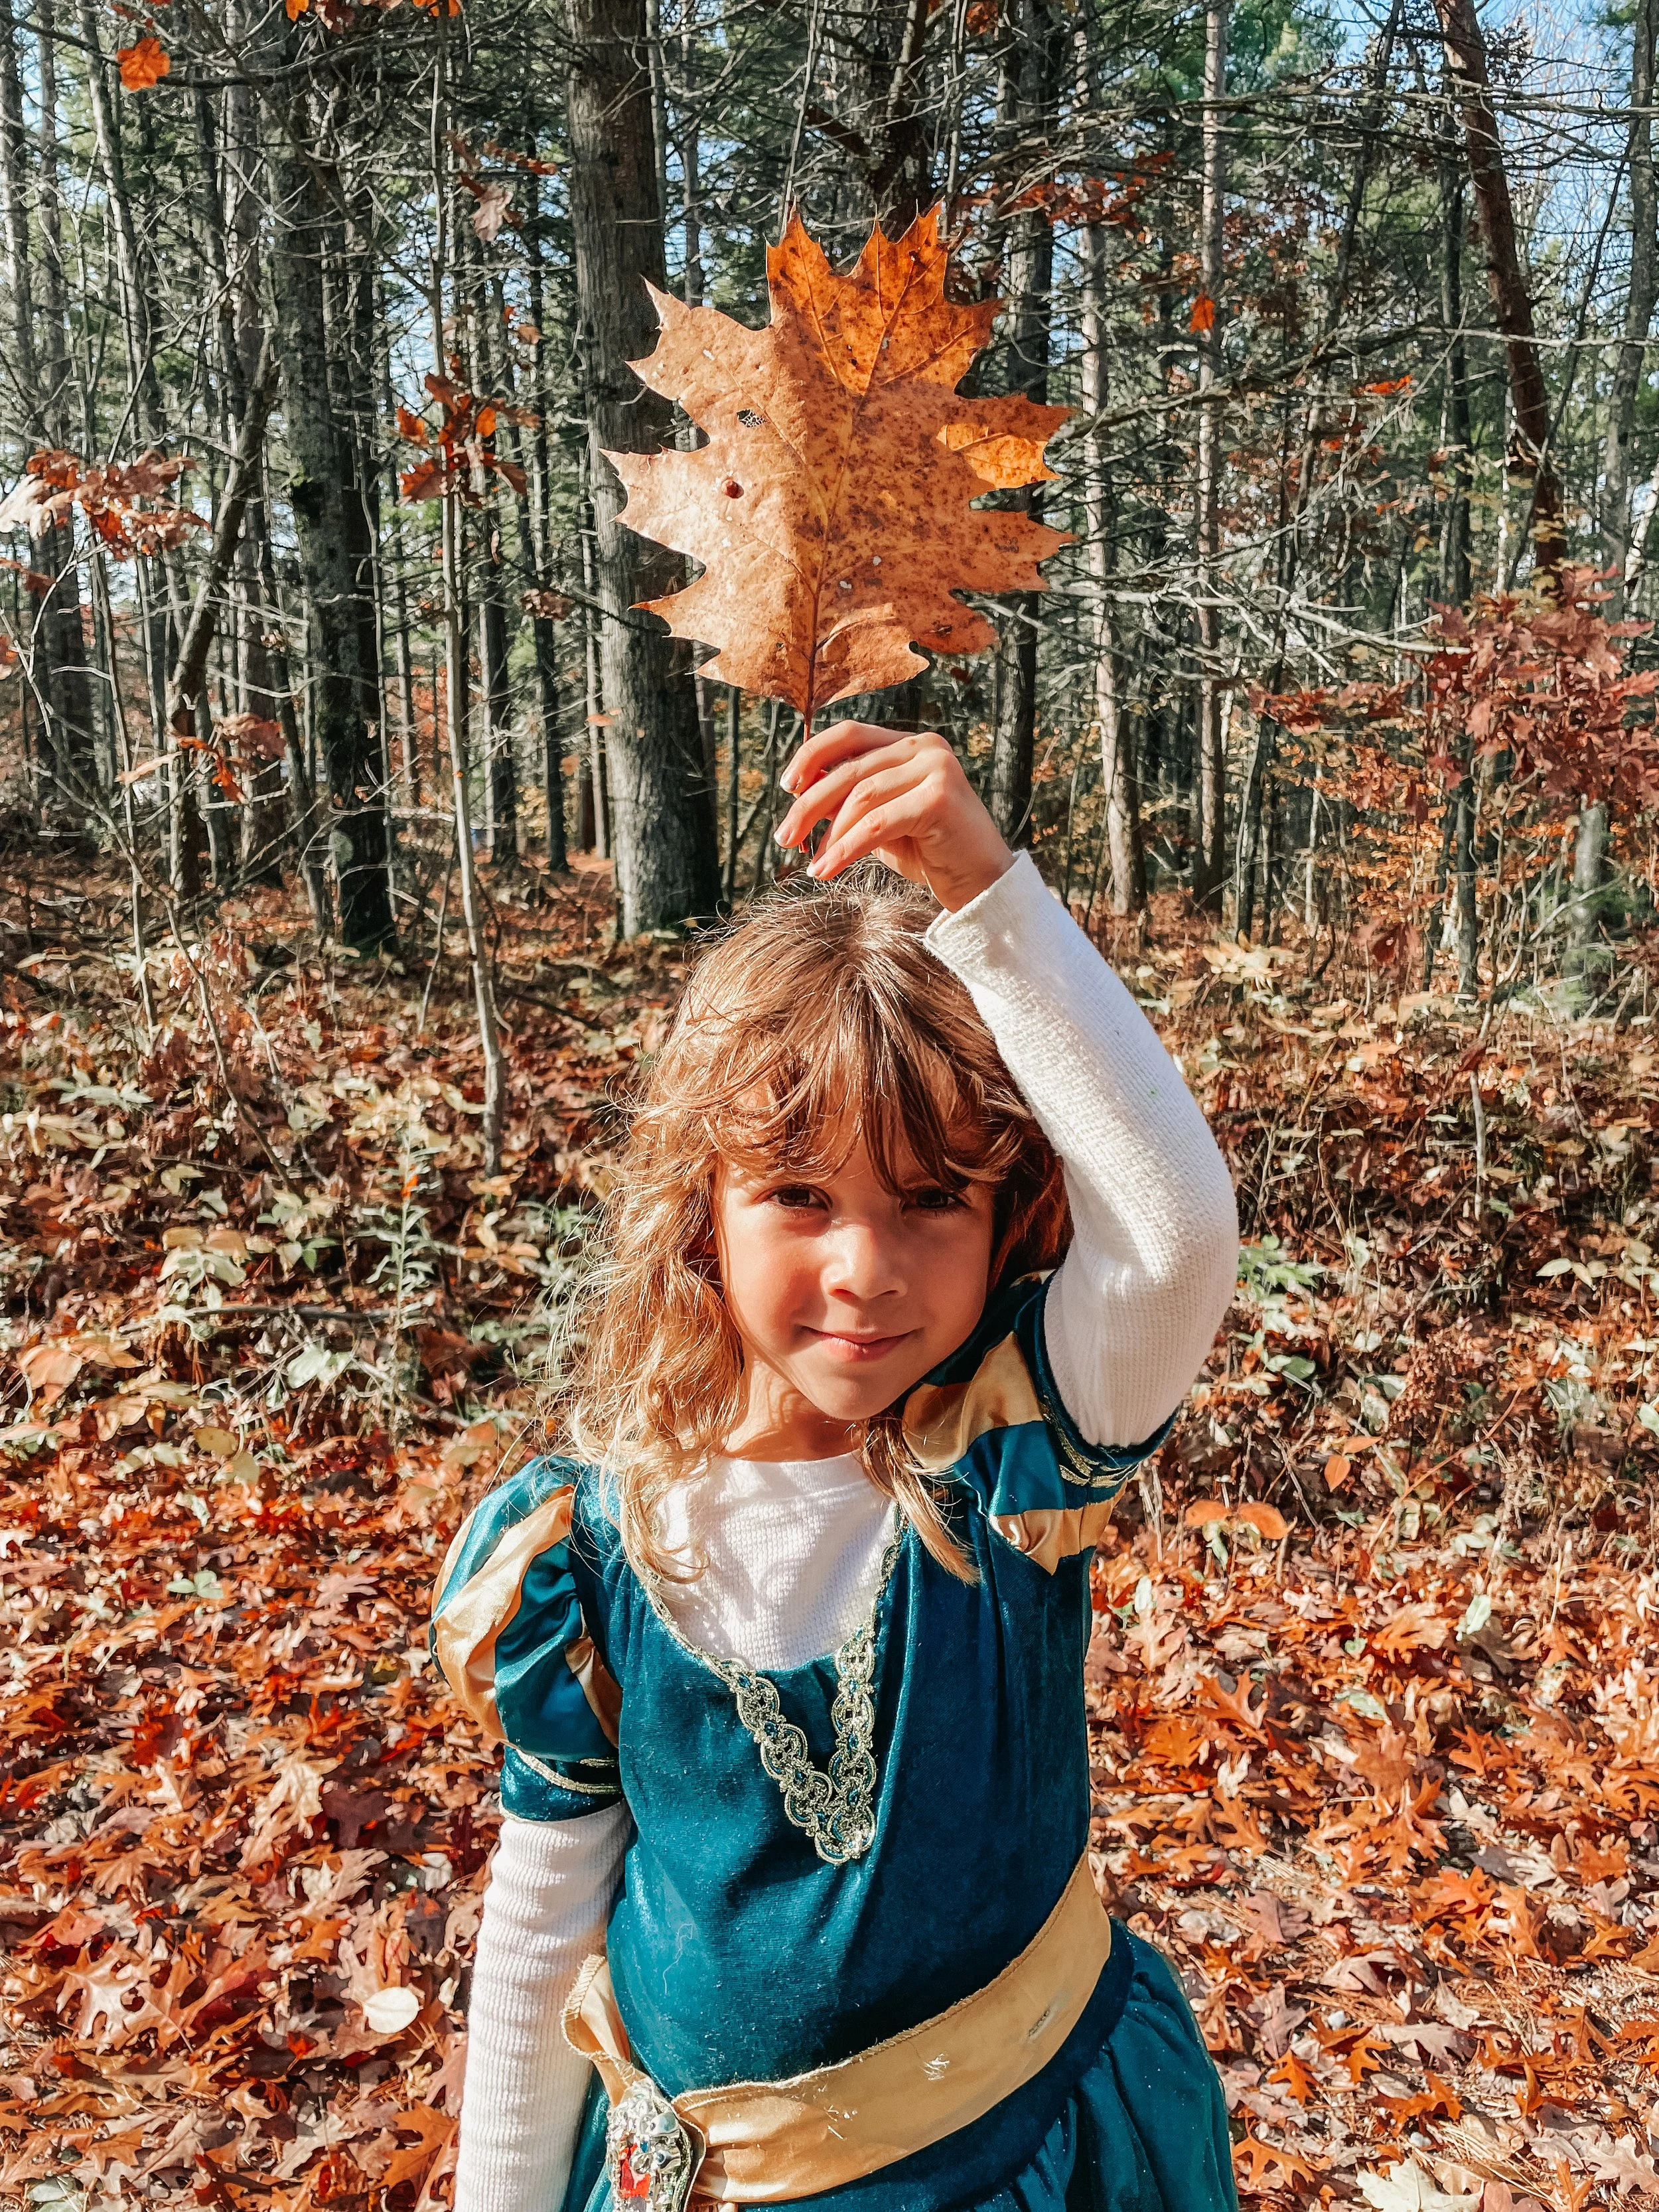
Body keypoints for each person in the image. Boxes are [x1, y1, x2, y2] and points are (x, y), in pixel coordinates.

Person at [431, 721, 1241, 2212]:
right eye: (798, 1196)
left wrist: (979, 885)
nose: (863, 1269)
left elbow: (1180, 1230)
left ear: (1008, 1224)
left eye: (929, 1200)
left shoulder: (1006, 1457)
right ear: (701, 1215)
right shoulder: (590, 1550)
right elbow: (543, 1928)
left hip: (1019, 2166)